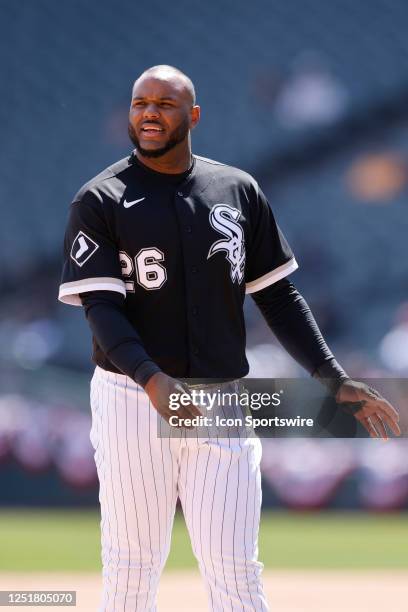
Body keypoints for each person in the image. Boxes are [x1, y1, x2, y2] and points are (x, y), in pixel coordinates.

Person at [58, 65, 400, 611]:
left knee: (236, 568)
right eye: (139, 102)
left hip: (220, 398)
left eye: (165, 104)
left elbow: (279, 297)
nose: (149, 113)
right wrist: (152, 381)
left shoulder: (237, 191)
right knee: (132, 564)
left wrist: (333, 379)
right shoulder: (99, 199)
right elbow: (102, 308)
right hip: (132, 399)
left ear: (192, 115)